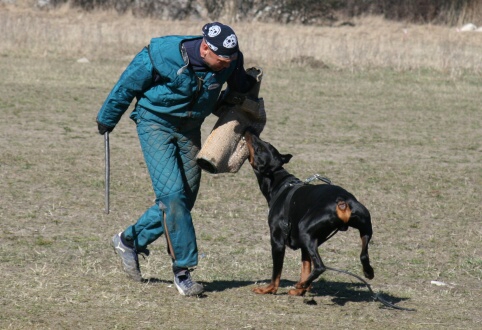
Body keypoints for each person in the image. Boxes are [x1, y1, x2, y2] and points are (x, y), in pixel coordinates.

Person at [96, 22, 258, 296]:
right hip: (154, 123)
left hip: (190, 127)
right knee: (172, 195)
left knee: (186, 197)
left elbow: (238, 83)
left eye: (230, 60)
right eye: (221, 60)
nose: (225, 65)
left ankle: (129, 241)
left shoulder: (229, 60)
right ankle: (183, 272)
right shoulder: (159, 55)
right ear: (205, 48)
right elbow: (127, 85)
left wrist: (248, 90)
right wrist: (107, 118)